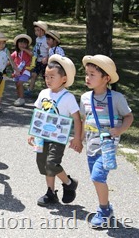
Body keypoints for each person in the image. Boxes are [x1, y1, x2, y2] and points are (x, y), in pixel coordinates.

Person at [80, 55, 133, 228]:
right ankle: (107, 208)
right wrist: (79, 138)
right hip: (91, 147)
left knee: (97, 176)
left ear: (106, 78)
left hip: (108, 147)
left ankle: (103, 210)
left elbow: (128, 116)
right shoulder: (85, 98)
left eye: (92, 74)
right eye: (86, 74)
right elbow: (83, 119)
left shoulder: (117, 98)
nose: (88, 78)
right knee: (96, 178)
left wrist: (120, 130)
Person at [27, 54, 82, 207]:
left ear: (64, 79)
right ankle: (50, 192)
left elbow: (77, 119)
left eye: (52, 76)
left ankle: (69, 183)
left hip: (58, 137)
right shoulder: (43, 93)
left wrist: (77, 138)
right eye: (46, 76)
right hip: (41, 136)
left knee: (52, 163)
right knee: (43, 163)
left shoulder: (68, 97)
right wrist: (31, 132)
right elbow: (37, 113)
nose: (48, 79)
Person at [26, 21, 50, 97]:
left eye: (38, 30)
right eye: (35, 30)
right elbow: (36, 48)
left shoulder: (45, 40)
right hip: (38, 60)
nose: (36, 32)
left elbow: (49, 49)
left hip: (44, 61)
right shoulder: (37, 39)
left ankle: (49, 91)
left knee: (45, 76)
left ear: (43, 30)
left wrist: (47, 57)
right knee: (34, 74)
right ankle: (30, 89)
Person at [12, 34, 34, 107]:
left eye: (24, 43)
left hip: (25, 71)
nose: (22, 45)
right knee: (17, 84)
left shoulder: (27, 51)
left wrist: (25, 50)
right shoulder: (16, 53)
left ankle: (21, 98)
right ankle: (19, 97)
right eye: (20, 43)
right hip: (17, 71)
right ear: (17, 44)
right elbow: (10, 58)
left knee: (20, 83)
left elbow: (32, 55)